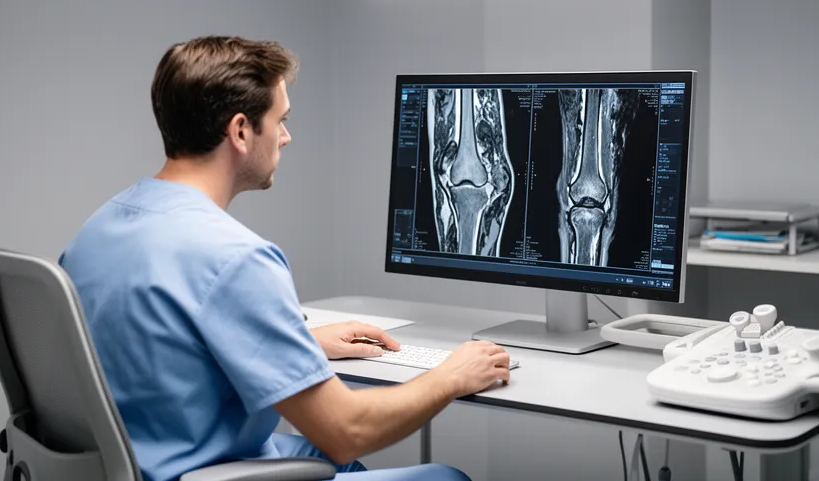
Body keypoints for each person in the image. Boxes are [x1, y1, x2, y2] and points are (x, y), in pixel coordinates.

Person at [58, 35, 512, 481]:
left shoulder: (99, 228)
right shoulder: (237, 259)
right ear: (240, 131)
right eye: (281, 120)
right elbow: (346, 431)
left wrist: (302, 345)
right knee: (445, 477)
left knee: (326, 460)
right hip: (203, 471)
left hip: (141, 459)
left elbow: (155, 353)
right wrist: (452, 375)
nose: (286, 137)